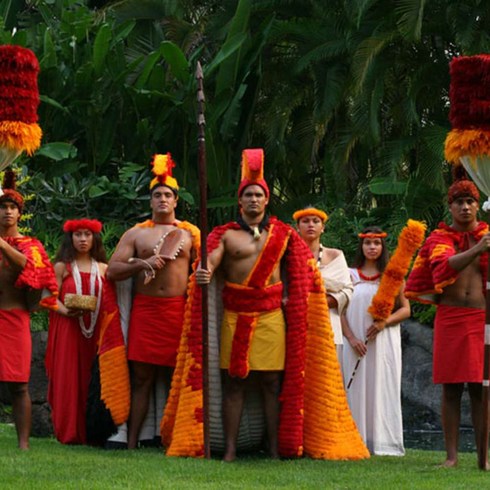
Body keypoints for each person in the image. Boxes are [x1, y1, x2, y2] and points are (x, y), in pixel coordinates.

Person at [163, 148, 369, 462]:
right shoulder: (226, 236)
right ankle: (230, 450)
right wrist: (204, 272)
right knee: (234, 384)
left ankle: (275, 449)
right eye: (248, 195)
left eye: (259, 195)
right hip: (235, 316)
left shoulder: (284, 235)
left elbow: (304, 272)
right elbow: (212, 261)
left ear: (266, 200)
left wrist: (297, 297)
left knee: (273, 382)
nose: (254, 200)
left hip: (272, 317)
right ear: (240, 201)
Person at [106, 153, 200, 449]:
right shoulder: (136, 233)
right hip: (146, 313)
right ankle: (132, 441)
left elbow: (203, 271)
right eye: (157, 195)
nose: (162, 199)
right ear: (150, 201)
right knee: (142, 379)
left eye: (167, 195)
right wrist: (141, 264)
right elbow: (112, 270)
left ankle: (176, 440)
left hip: (177, 312)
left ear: (176, 201)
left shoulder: (189, 233)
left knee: (178, 379)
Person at [405, 178, 490, 468]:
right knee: (451, 388)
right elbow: (443, 269)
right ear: (450, 207)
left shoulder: (488, 236)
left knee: (482, 388)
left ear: (478, 206)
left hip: (482, 319)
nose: (465, 207)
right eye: (459, 202)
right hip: (451, 317)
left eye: (470, 202)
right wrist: (478, 249)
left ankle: (484, 457)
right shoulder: (438, 240)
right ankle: (451, 457)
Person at [0, 170, 57, 449]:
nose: (7, 212)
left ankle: (23, 444)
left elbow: (30, 268)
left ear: (19, 214)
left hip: (14, 318)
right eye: (2, 207)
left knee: (19, 384)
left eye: (12, 208)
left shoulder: (30, 245)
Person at [341, 226, 410, 456]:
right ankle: (352, 438)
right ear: (361, 246)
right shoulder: (349, 274)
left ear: (383, 247)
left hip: (383, 340)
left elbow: (406, 310)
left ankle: (382, 441)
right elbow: (340, 311)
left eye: (376, 243)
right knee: (355, 385)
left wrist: (384, 322)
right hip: (354, 340)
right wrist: (351, 338)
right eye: (367, 243)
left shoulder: (393, 277)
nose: (372, 247)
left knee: (381, 383)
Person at [45, 218, 108, 444]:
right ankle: (69, 432)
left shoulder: (103, 269)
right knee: (69, 378)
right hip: (69, 329)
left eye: (87, 235)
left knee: (92, 378)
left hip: (96, 331)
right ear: (70, 238)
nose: (82, 239)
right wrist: (64, 311)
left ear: (94, 238)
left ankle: (92, 431)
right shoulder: (63, 266)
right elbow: (47, 297)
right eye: (78, 235)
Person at [293, 207, 353, 364]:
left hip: (328, 326)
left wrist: (321, 302)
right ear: (297, 228)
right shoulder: (288, 256)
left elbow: (348, 289)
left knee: (327, 381)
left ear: (323, 228)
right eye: (305, 221)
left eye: (316, 221)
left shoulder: (335, 255)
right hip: (296, 325)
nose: (311, 225)